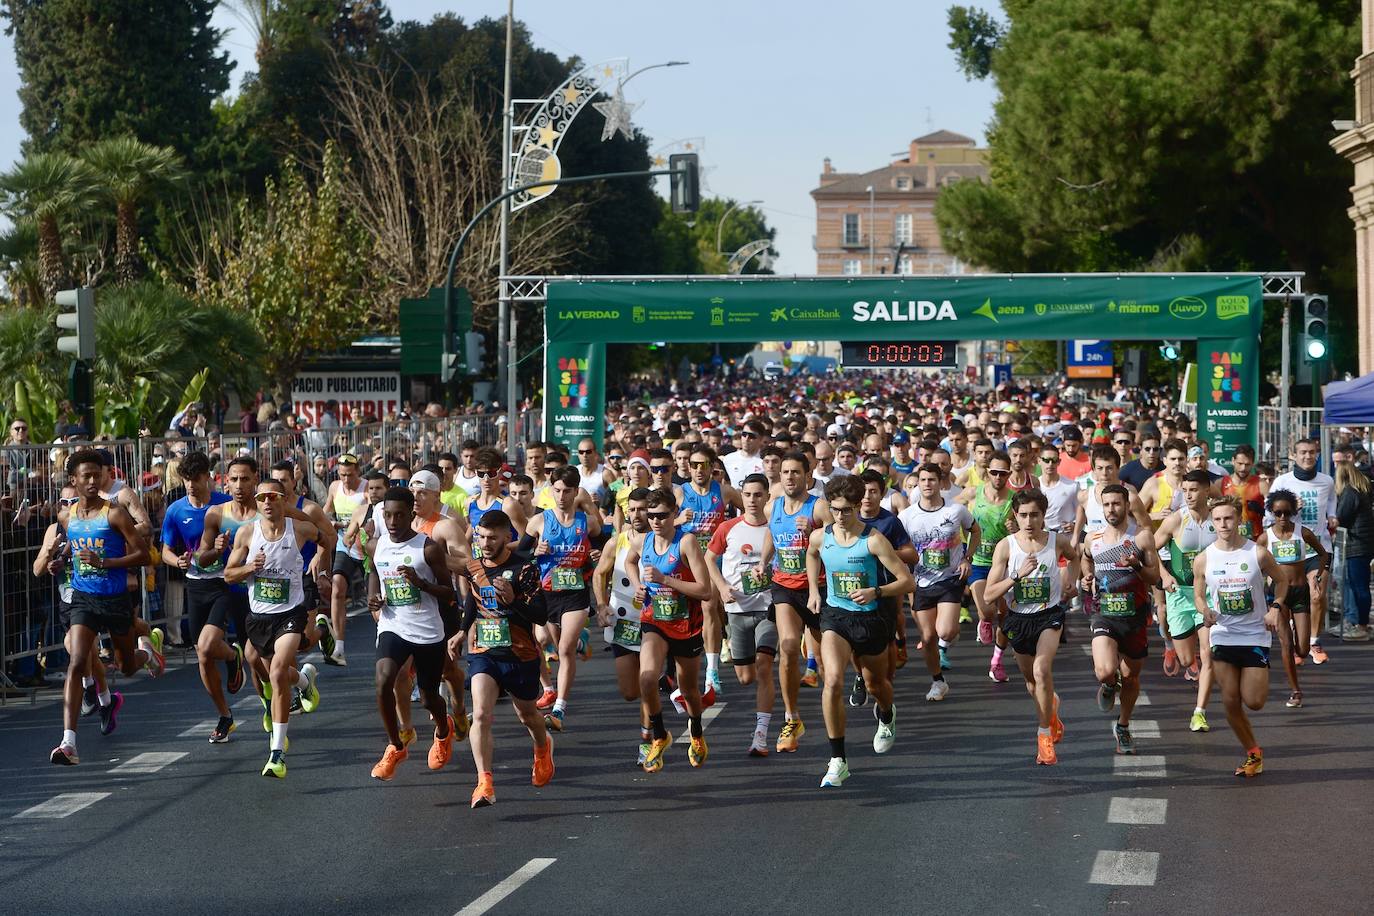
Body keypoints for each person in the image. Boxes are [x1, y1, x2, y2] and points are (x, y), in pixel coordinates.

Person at [806, 474, 914, 787]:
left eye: (846, 510)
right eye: (835, 509)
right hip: (835, 616)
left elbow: (907, 581)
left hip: (870, 618)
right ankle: (838, 759)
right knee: (833, 681)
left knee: (876, 682)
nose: (840, 516)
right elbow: (812, 555)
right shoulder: (820, 536)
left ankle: (886, 713)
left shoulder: (873, 540)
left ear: (857, 506)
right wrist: (814, 589)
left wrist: (875, 592)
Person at [50, 451, 157, 765]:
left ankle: (147, 653)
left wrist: (105, 563)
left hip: (115, 599)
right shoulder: (67, 517)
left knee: (125, 667)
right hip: (84, 599)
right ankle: (68, 743)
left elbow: (144, 555)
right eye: (86, 475)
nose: (93, 481)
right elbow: (74, 545)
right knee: (77, 661)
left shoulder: (115, 514)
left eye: (98, 475)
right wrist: (62, 560)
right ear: (74, 480)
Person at [451, 508, 554, 808]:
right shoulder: (475, 567)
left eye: (492, 537)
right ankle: (484, 781)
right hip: (484, 651)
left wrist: (514, 599)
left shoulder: (524, 568)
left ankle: (542, 746)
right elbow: (473, 596)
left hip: (520, 654)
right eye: (481, 537)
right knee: (481, 713)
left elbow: (541, 613)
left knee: (527, 714)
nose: (485, 543)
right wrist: (461, 630)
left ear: (508, 538)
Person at [223, 478, 324, 778]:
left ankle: (277, 753)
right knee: (263, 666)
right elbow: (228, 574)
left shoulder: (300, 529)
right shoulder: (246, 533)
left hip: (291, 613)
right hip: (259, 618)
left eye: (273, 496)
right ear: (257, 502)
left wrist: (322, 563)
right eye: (262, 497)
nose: (268, 502)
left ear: (283, 500)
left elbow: (327, 538)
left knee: (278, 672)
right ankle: (305, 682)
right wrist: (249, 568)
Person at [364, 488, 457, 781]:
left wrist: (420, 583)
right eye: (388, 515)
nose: (393, 521)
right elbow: (374, 573)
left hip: (427, 630)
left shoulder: (427, 548)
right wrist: (373, 598)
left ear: (411, 513)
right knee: (383, 682)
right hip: (393, 624)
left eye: (399, 514)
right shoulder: (375, 546)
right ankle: (395, 746)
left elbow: (449, 593)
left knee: (429, 696)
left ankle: (443, 731)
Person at [1194, 496, 1286, 778]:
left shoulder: (1256, 553)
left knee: (1254, 701)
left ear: (1239, 520)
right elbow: (1198, 594)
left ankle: (1253, 750)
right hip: (1223, 634)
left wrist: (1275, 609)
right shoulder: (1204, 558)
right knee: (1230, 700)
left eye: (1229, 518)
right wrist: (1205, 610)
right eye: (1218, 519)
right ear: (1212, 522)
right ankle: (1253, 753)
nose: (1224, 524)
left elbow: (1281, 580)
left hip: (1255, 635)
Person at [984, 489, 1076, 765]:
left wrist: (1071, 582)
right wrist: (1016, 575)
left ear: (1043, 515)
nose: (1028, 521)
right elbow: (989, 595)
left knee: (1041, 669)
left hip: (1049, 615)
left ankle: (1044, 736)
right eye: (1023, 515)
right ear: (1015, 515)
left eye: (1034, 514)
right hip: (1017, 619)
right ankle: (1051, 710)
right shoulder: (1006, 546)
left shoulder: (1056, 541)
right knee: (1031, 683)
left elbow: (1075, 556)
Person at [625, 488, 715, 772]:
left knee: (689, 691)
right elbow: (629, 561)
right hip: (655, 621)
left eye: (662, 516)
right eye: (651, 516)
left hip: (686, 624)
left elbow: (705, 590)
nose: (655, 521)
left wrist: (665, 579)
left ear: (674, 515)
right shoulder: (643, 541)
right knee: (647, 678)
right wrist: (639, 585)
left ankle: (697, 732)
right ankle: (660, 735)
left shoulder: (686, 542)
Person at [161, 451, 243, 743]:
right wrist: (177, 562)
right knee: (203, 656)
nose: (191, 485)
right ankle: (225, 715)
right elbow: (165, 551)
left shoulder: (225, 504)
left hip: (224, 583)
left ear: (208, 476)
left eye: (196, 479)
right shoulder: (176, 510)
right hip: (195, 585)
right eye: (186, 480)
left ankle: (232, 655)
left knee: (207, 645)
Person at [761, 451, 833, 751]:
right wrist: (763, 561)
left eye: (795, 472)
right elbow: (772, 536)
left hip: (818, 588)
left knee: (831, 662)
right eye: (785, 472)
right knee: (789, 645)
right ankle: (792, 718)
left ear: (807, 475)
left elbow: (838, 540)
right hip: (784, 586)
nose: (789, 477)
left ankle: (834, 702)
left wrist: (816, 532)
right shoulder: (772, 507)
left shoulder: (819, 507)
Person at [1081, 485, 1160, 756]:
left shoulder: (1142, 537)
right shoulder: (1094, 539)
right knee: (1105, 670)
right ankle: (1106, 683)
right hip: (1105, 614)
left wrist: (1137, 566)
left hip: (1135, 616)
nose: (1111, 509)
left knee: (1131, 677)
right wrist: (1086, 577)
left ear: (1127, 505)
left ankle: (1123, 725)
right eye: (1106, 505)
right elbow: (1086, 559)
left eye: (1116, 504)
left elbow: (1154, 577)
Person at [525, 465, 602, 731]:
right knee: (545, 641)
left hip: (576, 595)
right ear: (550, 490)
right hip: (547, 594)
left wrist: (597, 555)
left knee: (566, 649)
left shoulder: (588, 522)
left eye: (567, 491)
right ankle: (556, 681)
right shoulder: (539, 522)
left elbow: (602, 545)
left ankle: (559, 706)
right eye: (556, 490)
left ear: (575, 491)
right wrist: (536, 551)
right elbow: (520, 556)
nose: (561, 496)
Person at [706, 474, 778, 756]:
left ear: (767, 496)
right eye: (747, 495)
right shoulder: (728, 527)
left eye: (758, 495)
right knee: (745, 677)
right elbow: (709, 558)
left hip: (768, 606)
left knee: (763, 667)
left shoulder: (775, 527)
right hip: (737, 609)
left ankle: (761, 735)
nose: (752, 500)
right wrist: (721, 587)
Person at [900, 462, 978, 700]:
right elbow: (897, 546)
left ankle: (951, 627)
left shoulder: (955, 511)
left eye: (931, 480)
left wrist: (967, 557)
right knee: (928, 637)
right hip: (922, 581)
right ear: (917, 484)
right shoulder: (906, 516)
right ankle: (937, 681)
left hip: (950, 579)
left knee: (945, 630)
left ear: (939, 482)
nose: (927, 484)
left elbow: (976, 530)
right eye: (922, 480)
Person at [1153, 470, 1219, 732]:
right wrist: (1164, 574)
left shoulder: (1218, 518)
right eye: (1185, 490)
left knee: (1208, 654)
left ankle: (1199, 712)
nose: (1189, 495)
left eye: (1194, 490)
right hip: (1179, 593)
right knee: (1184, 659)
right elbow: (1151, 549)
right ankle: (1184, 657)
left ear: (1206, 491)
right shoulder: (1175, 520)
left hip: (1209, 595)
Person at [593, 486, 653, 764]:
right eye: (633, 508)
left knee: (646, 680)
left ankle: (648, 739)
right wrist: (601, 605)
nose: (638, 514)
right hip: (622, 619)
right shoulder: (616, 541)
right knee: (630, 691)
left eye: (643, 509)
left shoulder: (661, 539)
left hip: (654, 620)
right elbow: (599, 574)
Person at [676, 443, 742, 695]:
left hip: (714, 560)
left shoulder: (724, 492)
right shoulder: (679, 493)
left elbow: (751, 513)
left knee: (709, 607)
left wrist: (732, 530)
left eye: (703, 464)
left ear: (712, 466)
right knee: (688, 615)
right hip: (686, 561)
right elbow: (658, 521)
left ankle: (711, 671)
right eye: (693, 465)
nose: (698, 469)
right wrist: (678, 520)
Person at [1256, 489, 1328, 709]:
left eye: (1287, 512)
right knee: (1285, 645)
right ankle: (1295, 691)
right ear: (1271, 512)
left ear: (1293, 512)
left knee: (1303, 650)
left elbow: (1323, 554)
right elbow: (1253, 565)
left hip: (1299, 593)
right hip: (1279, 596)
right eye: (1278, 513)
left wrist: (1316, 576)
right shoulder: (1265, 537)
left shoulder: (1303, 533)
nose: (1283, 518)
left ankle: (1295, 631)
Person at [1270, 438, 1337, 664]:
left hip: (1319, 548)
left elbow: (1331, 503)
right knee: (1290, 599)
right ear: (1293, 455)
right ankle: (1296, 638)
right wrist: (1290, 510)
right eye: (1303, 453)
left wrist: (1332, 516)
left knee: (1317, 596)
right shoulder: (1282, 482)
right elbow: (1268, 516)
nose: (1308, 456)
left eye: (1311, 452)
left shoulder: (1326, 481)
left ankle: (1315, 642)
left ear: (1317, 454)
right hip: (1290, 550)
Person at [958, 450, 1015, 682]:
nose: (998, 477)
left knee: (1006, 617)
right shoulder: (973, 493)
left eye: (1003, 473)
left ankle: (997, 662)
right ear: (987, 472)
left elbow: (1028, 526)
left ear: (1009, 473)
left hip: (1004, 564)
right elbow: (948, 510)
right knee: (987, 610)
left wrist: (1016, 529)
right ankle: (983, 620)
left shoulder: (1014, 500)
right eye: (994, 472)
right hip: (979, 562)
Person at [325, 453, 367, 665]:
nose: (346, 480)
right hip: (345, 546)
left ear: (357, 471)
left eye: (350, 475)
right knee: (337, 588)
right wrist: (330, 522)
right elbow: (325, 512)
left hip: (367, 547)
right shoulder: (334, 488)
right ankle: (339, 647)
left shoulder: (367, 488)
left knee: (376, 597)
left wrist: (345, 526)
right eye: (342, 475)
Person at [1334, 462, 1373, 641]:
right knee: (1359, 585)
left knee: (1359, 587)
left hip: (1356, 545)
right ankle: (1358, 622)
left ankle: (1362, 626)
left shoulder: (1350, 492)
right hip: (1365, 543)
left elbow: (1341, 517)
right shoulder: (1363, 489)